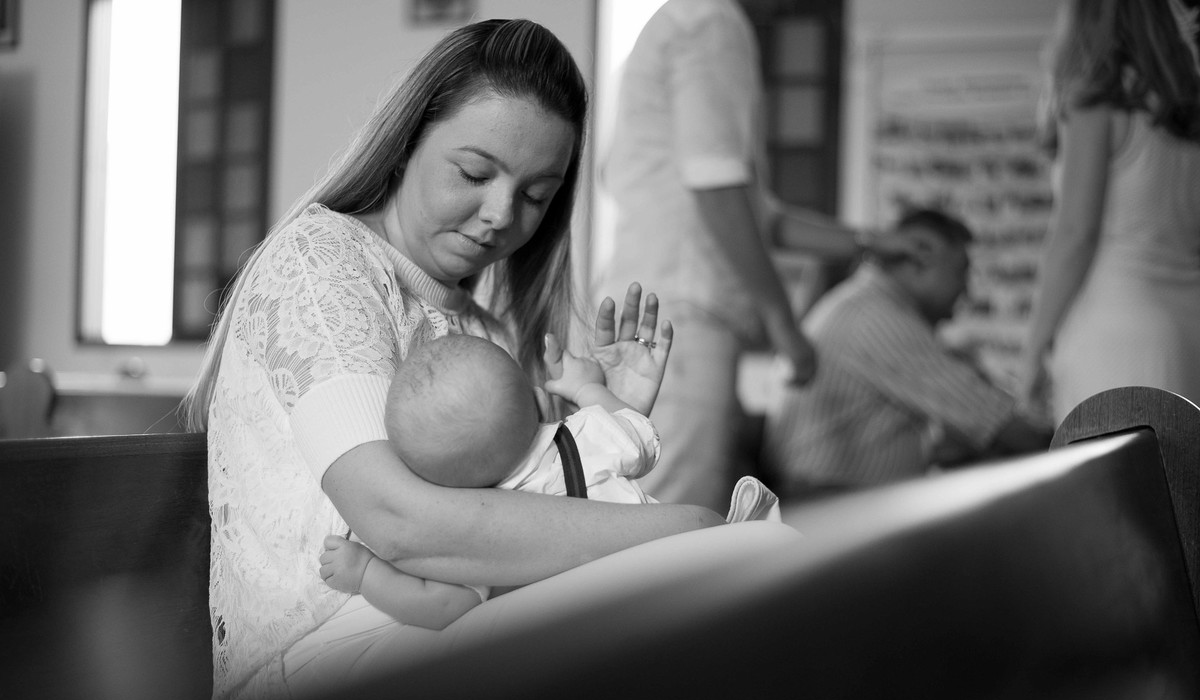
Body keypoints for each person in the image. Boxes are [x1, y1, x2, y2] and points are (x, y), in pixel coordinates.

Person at [182, 19, 729, 700]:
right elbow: (394, 521)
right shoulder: (322, 266)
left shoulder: (480, 327)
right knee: (724, 577)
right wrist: (688, 530)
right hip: (315, 681)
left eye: (537, 195)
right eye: (475, 173)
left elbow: (522, 522)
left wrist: (601, 427)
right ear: (407, 143)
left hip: (432, 638)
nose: (503, 214)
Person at [597, 0, 916, 515]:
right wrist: (783, 323)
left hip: (660, 316)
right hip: (676, 323)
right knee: (666, 530)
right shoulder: (709, 21)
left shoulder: (681, 22)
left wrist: (868, 242)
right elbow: (719, 192)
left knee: (655, 521)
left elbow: (758, 215)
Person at [319, 332, 779, 627]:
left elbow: (443, 607)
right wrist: (586, 391)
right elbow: (642, 437)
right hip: (679, 578)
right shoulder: (579, 437)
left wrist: (366, 574)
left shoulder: (473, 530)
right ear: (538, 400)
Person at [761, 208, 1052, 497]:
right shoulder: (878, 317)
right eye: (960, 271)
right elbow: (1003, 424)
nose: (966, 290)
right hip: (829, 509)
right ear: (920, 257)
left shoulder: (867, 302)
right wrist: (1062, 433)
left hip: (837, 503)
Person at [1017, 0, 1200, 424]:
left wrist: (1030, 354)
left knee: (1110, 487)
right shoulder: (1186, 110)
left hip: (1114, 330)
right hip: (1190, 327)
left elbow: (1075, 234)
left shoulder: (1096, 100)